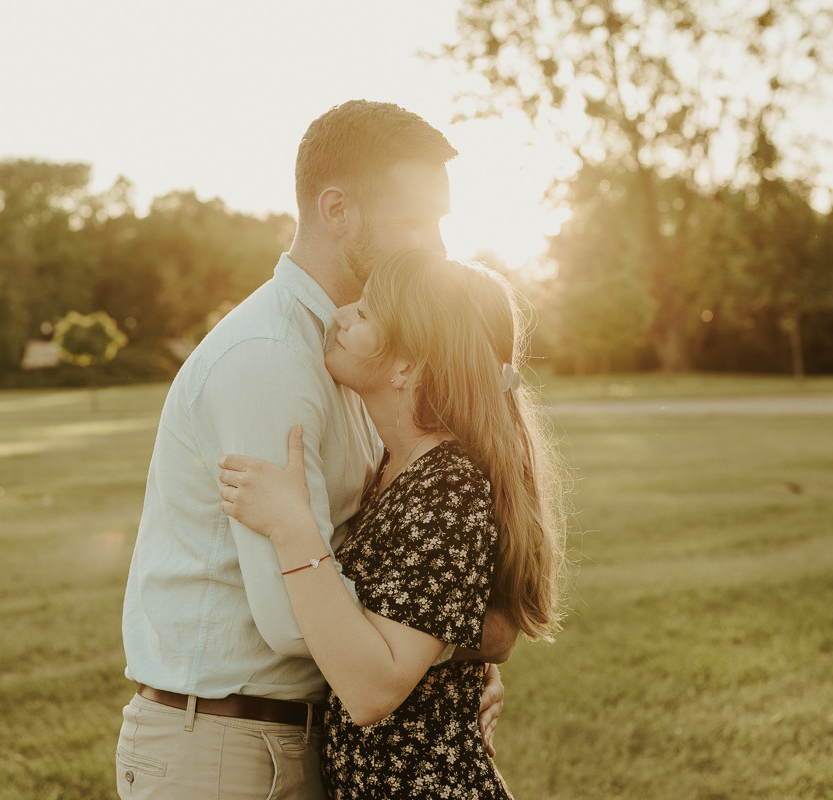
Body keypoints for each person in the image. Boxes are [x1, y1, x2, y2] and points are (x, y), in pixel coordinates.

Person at [117, 100, 514, 800]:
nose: (438, 248)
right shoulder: (274, 360)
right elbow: (287, 619)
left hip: (279, 738)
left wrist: (439, 646)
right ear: (338, 211)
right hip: (228, 748)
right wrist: (440, 644)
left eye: (442, 223)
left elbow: (388, 561)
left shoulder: (351, 361)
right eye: (417, 223)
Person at [218, 249, 563, 799]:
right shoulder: (398, 466)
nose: (340, 314)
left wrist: (291, 526)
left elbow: (371, 690)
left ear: (407, 367)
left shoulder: (449, 485)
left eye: (367, 313)